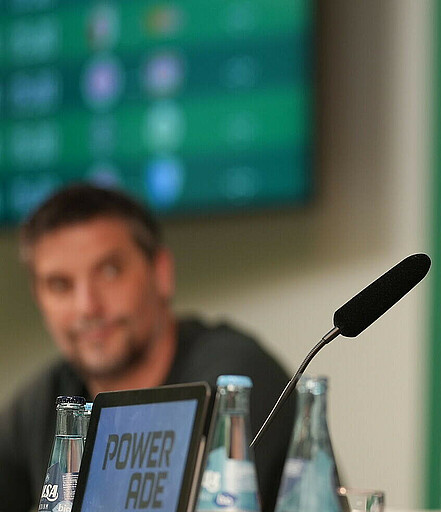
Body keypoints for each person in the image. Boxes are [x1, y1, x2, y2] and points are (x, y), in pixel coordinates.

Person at [0, 184, 295, 512]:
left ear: (161, 272)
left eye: (109, 272)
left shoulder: (232, 383)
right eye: (60, 285)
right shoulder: (42, 405)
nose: (87, 307)